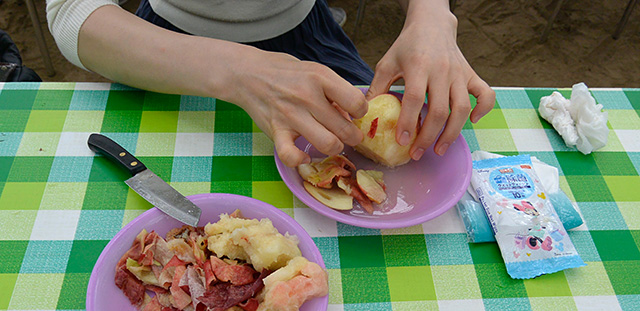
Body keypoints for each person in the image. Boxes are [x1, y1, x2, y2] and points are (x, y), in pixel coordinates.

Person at [46, 0, 495, 167]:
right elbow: (70, 13)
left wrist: (432, 14)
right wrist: (241, 71)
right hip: (159, 49)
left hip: (307, 35)